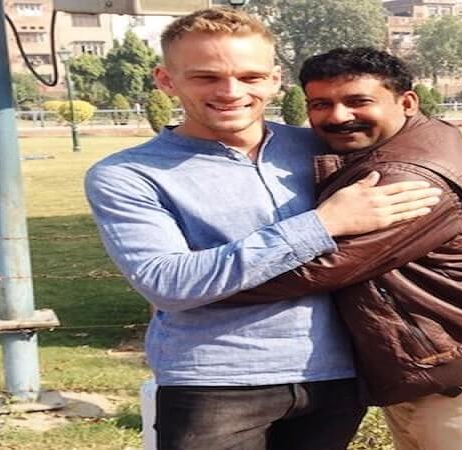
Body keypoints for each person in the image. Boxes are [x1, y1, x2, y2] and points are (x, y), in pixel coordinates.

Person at [84, 9, 440, 450]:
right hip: (214, 381)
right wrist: (323, 223)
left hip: (335, 374)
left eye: (250, 76)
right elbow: (167, 282)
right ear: (165, 80)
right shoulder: (127, 175)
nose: (231, 92)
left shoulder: (319, 145)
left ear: (274, 80)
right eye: (206, 77)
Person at [225, 47, 462, 450]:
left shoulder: (407, 178)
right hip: (443, 360)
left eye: (358, 101)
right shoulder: (399, 144)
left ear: (406, 102)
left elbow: (319, 267)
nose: (338, 116)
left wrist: (197, 286)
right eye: (321, 104)